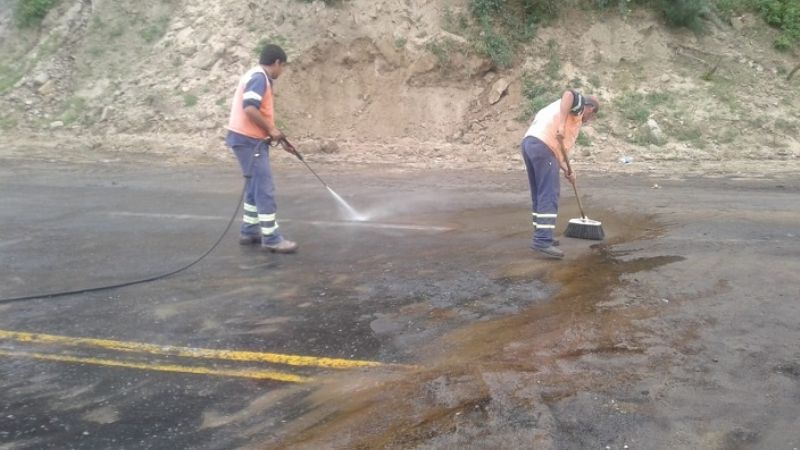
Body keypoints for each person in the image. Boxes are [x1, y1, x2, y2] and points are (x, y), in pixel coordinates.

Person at [225, 44, 298, 254]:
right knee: (264, 189)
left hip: (247, 139)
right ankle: (272, 239)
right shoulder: (260, 78)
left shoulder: (255, 75)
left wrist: (276, 135)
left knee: (254, 187)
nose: (281, 72)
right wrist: (271, 129)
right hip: (248, 140)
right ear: (276, 63)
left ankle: (249, 231)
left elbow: (257, 112)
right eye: (282, 67)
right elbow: (249, 108)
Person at [521, 90, 600, 259]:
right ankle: (542, 241)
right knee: (549, 193)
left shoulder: (564, 114)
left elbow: (559, 153)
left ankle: (541, 234)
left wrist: (568, 171)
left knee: (539, 193)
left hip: (531, 144)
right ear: (590, 108)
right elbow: (569, 94)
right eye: (591, 116)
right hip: (543, 146)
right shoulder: (577, 107)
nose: (588, 120)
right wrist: (562, 124)